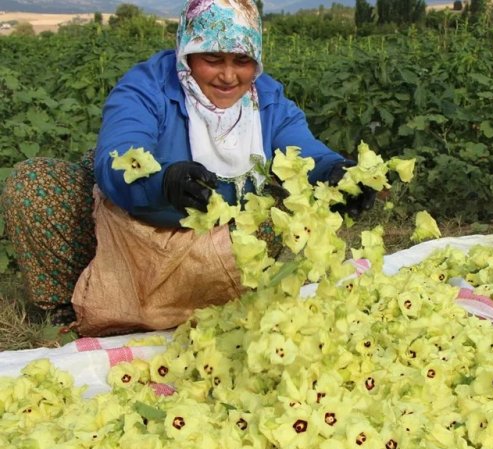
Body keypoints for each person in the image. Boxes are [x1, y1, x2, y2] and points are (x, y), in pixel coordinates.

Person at [0, 0, 374, 335]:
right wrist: (164, 181)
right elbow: (118, 154)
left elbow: (304, 152)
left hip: (214, 241)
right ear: (187, 53)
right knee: (34, 183)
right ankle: (72, 306)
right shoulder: (147, 87)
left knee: (274, 212)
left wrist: (338, 173)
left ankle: (212, 302)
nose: (229, 77)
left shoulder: (267, 101)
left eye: (242, 61)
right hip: (136, 218)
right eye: (213, 59)